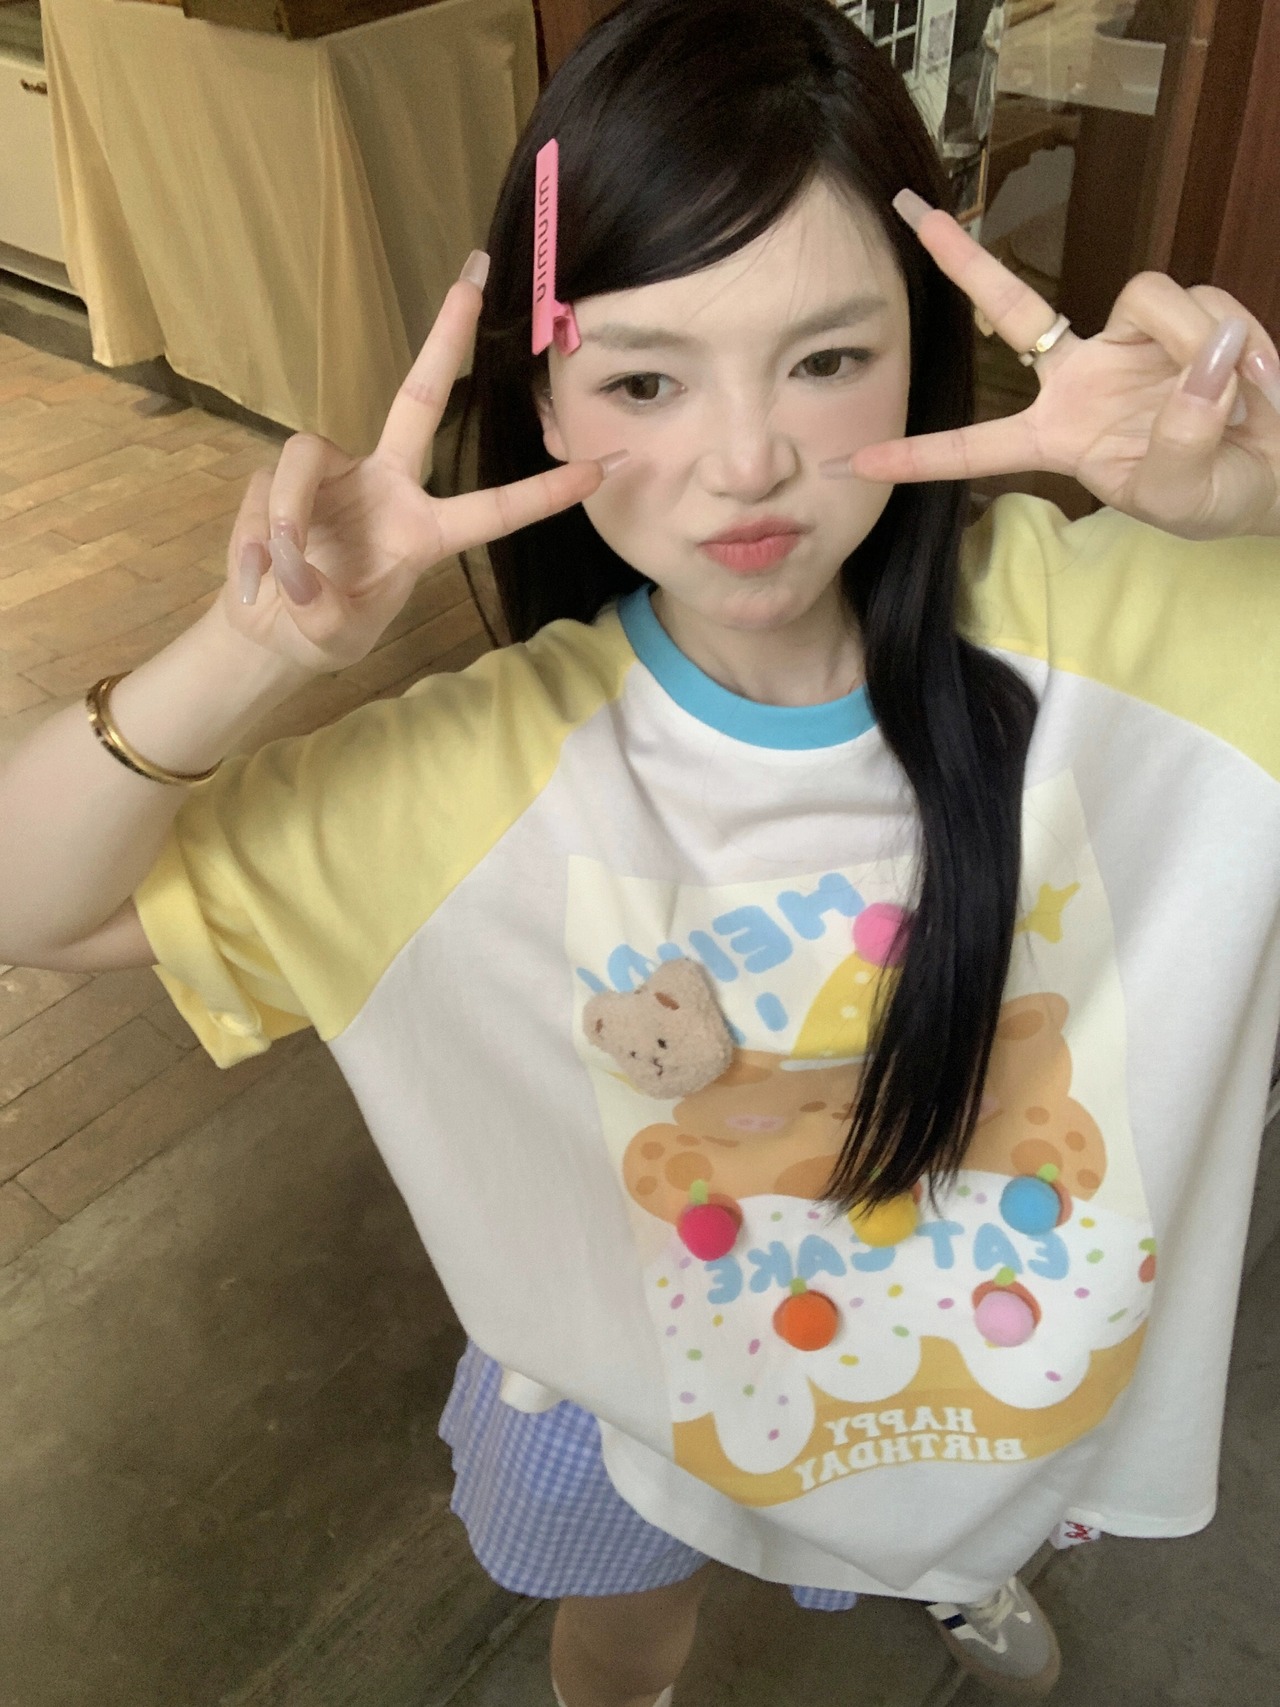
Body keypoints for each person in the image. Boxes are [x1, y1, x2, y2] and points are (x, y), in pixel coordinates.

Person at [2, 0, 1278, 1701]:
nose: (744, 464)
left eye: (826, 360)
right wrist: (250, 650)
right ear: (543, 395)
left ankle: (938, 1555)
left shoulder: (1128, 641)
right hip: (633, 1406)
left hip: (986, 1391)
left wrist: (1270, 500)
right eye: (645, 381)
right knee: (621, 1639)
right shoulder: (477, 779)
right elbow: (36, 906)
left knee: (949, 1509)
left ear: (919, 345)